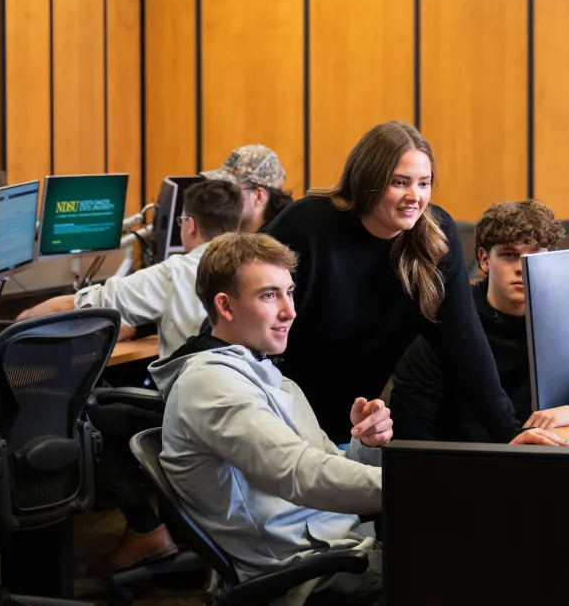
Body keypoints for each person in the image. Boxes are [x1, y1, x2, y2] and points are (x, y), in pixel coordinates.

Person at [262, 121, 564, 447]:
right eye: (399, 182)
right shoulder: (307, 224)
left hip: (349, 429)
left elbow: (464, 345)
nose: (414, 197)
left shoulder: (436, 234)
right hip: (277, 414)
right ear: (367, 182)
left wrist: (510, 432)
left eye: (424, 183)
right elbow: (244, 305)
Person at [150, 232, 389, 606]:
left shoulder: (267, 374)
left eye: (289, 292)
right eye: (269, 295)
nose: (290, 310)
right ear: (225, 306)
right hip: (306, 575)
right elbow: (301, 476)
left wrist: (366, 444)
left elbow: (326, 467)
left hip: (345, 549)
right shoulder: (212, 384)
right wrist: (417, 486)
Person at [17, 179, 243, 574]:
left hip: (191, 415)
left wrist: (12, 328)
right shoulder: (255, 268)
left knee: (91, 415)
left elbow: (84, 305)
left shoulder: (177, 271)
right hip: (244, 409)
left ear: (189, 226)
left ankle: (145, 528)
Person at [389, 200, 569, 441]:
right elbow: (411, 423)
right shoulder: (449, 319)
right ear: (484, 259)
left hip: (549, 456)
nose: (521, 266)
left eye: (534, 254)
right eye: (509, 255)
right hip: (469, 465)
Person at [16, 179, 244, 357]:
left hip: (191, 406)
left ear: (191, 225)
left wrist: (20, 322)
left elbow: (76, 305)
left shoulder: (173, 274)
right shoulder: (260, 266)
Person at [202, 144, 294, 233]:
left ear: (259, 196)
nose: (223, 196)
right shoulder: (227, 239)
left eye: (231, 190)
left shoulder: (281, 244)